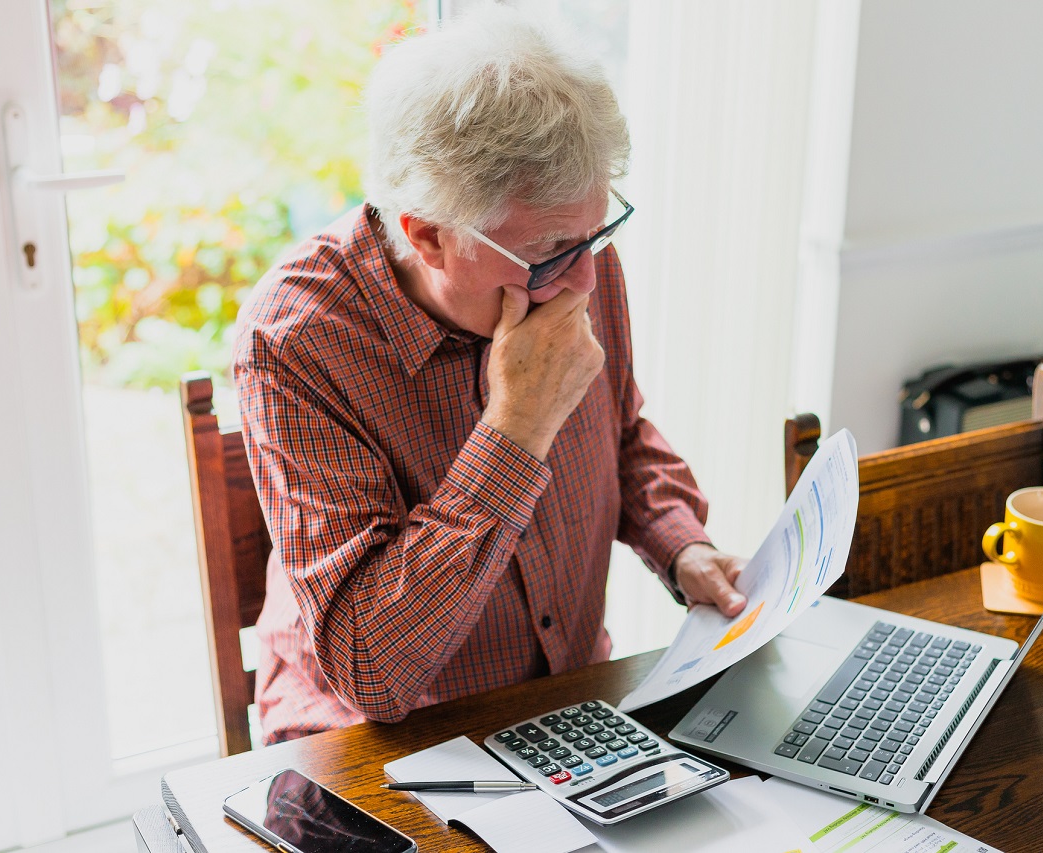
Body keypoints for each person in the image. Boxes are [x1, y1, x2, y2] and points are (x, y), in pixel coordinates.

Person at [234, 2, 747, 745]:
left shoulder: (572, 255)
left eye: (595, 235)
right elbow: (371, 670)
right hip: (372, 745)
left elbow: (622, 429)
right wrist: (517, 426)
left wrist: (681, 543)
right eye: (547, 255)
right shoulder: (296, 340)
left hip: (567, 712)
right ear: (429, 235)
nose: (580, 283)